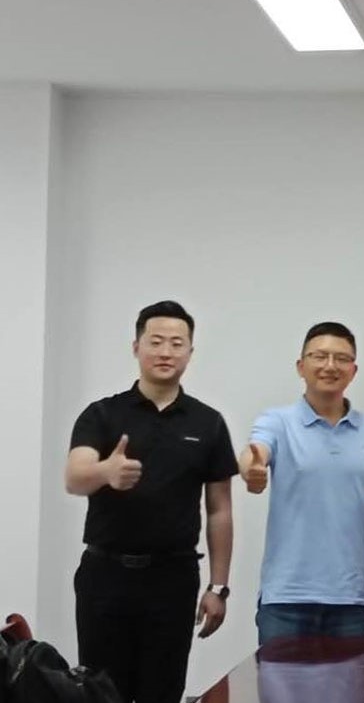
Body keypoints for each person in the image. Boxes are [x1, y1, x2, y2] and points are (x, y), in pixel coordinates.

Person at [65, 300, 236, 703]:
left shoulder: (208, 422)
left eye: (177, 343)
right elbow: (75, 476)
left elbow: (220, 509)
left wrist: (218, 586)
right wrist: (106, 472)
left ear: (190, 352)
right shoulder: (102, 414)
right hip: (105, 576)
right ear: (136, 347)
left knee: (163, 691)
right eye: (155, 341)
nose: (165, 352)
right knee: (102, 693)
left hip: (173, 579)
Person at [240, 322, 364, 643]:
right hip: (286, 598)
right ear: (301, 366)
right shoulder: (277, 421)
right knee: (278, 678)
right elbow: (255, 452)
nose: (330, 366)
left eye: (341, 358)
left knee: (349, 679)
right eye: (320, 356)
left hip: (351, 600)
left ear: (353, 371)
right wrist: (251, 468)